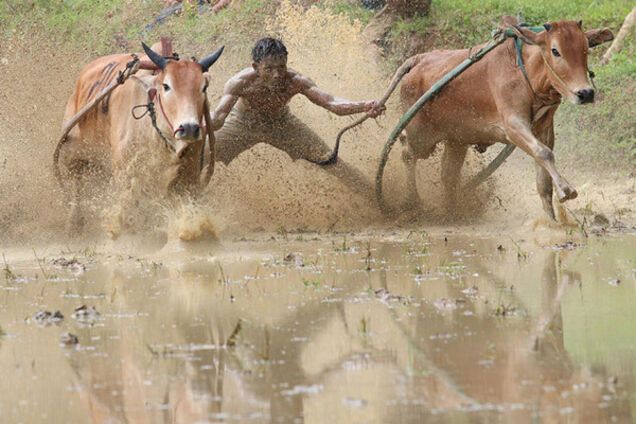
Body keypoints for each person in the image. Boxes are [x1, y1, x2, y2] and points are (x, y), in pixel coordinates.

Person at [209, 37, 385, 197]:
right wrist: (192, 123)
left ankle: (379, 200)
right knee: (200, 158)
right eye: (269, 69)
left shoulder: (295, 80)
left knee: (329, 160)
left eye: (281, 67)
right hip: (242, 123)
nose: (277, 75)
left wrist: (364, 106)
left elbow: (331, 103)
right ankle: (184, 204)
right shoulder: (239, 82)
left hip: (282, 124)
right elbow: (217, 120)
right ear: (255, 67)